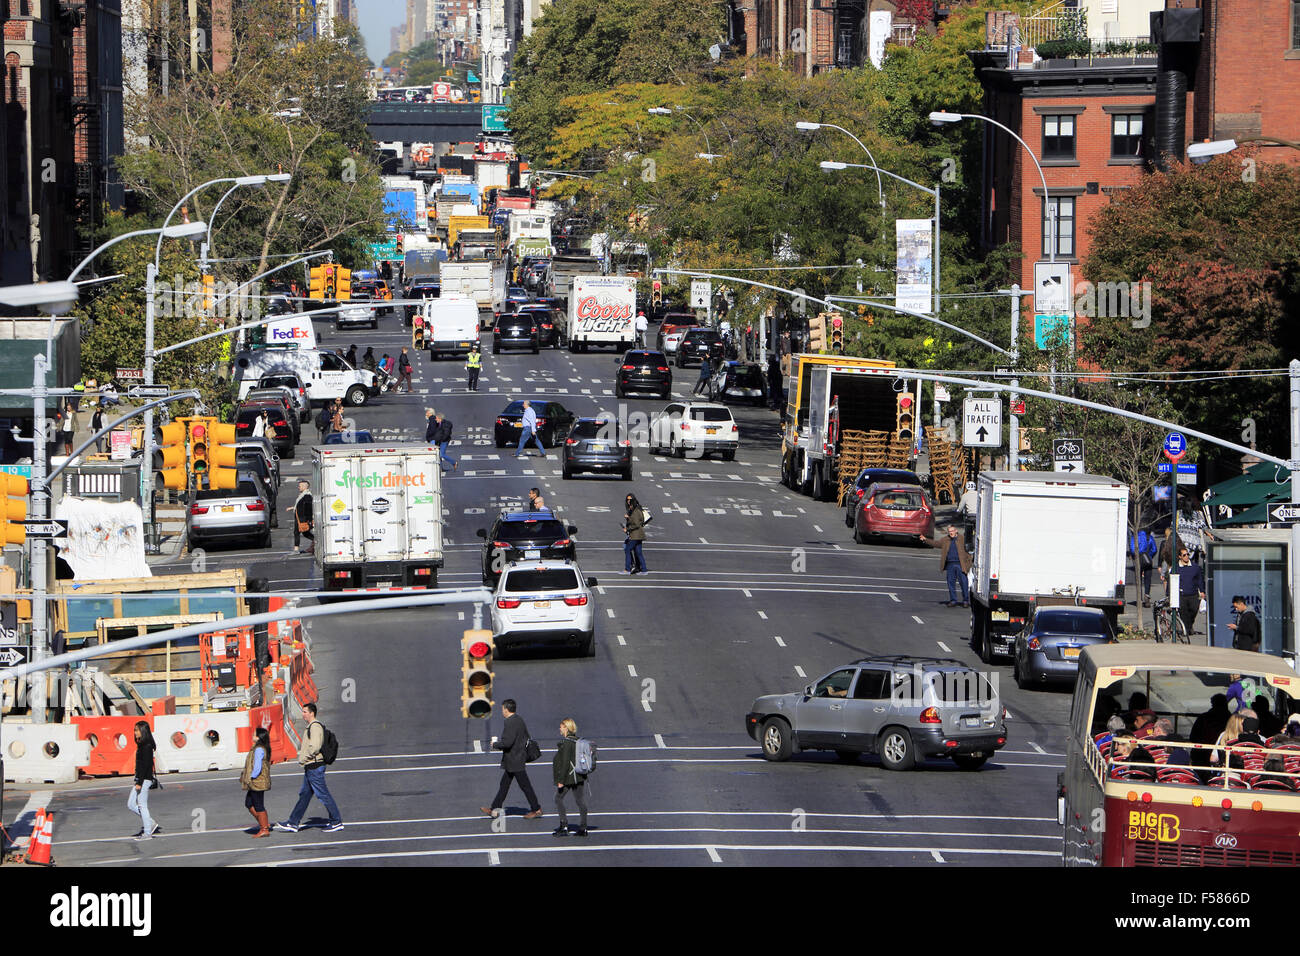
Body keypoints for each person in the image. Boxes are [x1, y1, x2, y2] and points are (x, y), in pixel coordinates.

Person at [274, 702, 343, 833]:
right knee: (305, 795)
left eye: (305, 712)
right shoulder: (311, 727)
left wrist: (305, 758)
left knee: (323, 794)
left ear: (312, 713)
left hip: (314, 766)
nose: (303, 714)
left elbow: (315, 746)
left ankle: (336, 821)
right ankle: (293, 822)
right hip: (311, 766)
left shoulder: (315, 727)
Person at [481, 699, 543, 820]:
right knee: (504, 784)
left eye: (502, 709)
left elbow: (507, 743)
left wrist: (495, 744)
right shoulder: (519, 719)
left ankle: (536, 809)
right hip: (516, 759)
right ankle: (494, 809)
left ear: (506, 709)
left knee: (525, 786)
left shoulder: (510, 722)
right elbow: (525, 737)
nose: (502, 711)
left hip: (515, 760)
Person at [552, 718, 589, 838]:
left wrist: (560, 781)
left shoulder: (567, 743)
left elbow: (565, 763)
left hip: (569, 777)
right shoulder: (577, 740)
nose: (560, 729)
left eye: (561, 727)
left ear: (566, 728)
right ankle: (583, 828)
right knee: (580, 801)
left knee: (558, 798)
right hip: (579, 775)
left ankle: (564, 826)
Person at [128, 721, 160, 840]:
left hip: (144, 780)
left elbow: (146, 766)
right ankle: (150, 823)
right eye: (134, 730)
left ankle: (147, 833)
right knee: (131, 804)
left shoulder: (146, 746)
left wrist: (139, 783)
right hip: (141, 778)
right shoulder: (142, 745)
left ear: (143, 731)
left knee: (142, 806)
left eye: (137, 730)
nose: (135, 732)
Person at [240, 726, 273, 838]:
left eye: (254, 734)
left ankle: (264, 829)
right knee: (249, 803)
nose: (252, 736)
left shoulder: (259, 749)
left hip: (257, 781)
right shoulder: (258, 747)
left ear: (258, 737)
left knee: (258, 805)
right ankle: (264, 823)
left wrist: (250, 777)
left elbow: (257, 767)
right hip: (256, 781)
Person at [933, 524, 970, 608]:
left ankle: (965, 601)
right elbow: (936, 543)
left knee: (964, 583)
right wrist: (925, 540)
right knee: (951, 583)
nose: (951, 533)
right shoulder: (946, 539)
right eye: (949, 532)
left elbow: (969, 551)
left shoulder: (962, 539)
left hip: (960, 564)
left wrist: (968, 564)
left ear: (956, 530)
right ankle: (953, 600)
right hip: (950, 564)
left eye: (952, 531)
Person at [1190, 694, 1230, 769]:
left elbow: (1193, 737)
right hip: (1221, 758)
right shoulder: (1231, 720)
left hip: (1202, 756)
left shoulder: (1203, 718)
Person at [1173, 546, 1206, 636]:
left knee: (1193, 610)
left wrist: (1202, 591)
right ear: (1180, 557)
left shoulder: (1195, 567)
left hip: (1193, 594)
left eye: (1188, 554)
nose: (1187, 556)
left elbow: (1200, 580)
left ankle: (1189, 625)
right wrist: (1170, 595)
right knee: (1183, 612)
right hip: (1182, 594)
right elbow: (1171, 581)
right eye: (1184, 555)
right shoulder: (1176, 568)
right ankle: (1186, 630)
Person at [622, 493, 649, 574]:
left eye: (630, 500)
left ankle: (627, 569)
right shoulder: (634, 509)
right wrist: (628, 518)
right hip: (638, 535)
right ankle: (644, 569)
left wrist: (627, 529)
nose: (628, 501)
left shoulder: (636, 511)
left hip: (635, 535)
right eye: (627, 500)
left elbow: (636, 524)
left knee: (627, 549)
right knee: (638, 552)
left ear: (633, 500)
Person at [1133, 528, 1158, 607]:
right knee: (1147, 579)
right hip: (1147, 561)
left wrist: (1136, 556)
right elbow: (1154, 549)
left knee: (1138, 579)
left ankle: (1139, 598)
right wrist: (1149, 556)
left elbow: (1132, 548)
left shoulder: (1135, 537)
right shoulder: (1149, 537)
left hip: (1138, 561)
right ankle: (1147, 595)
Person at [290, 479, 313, 554]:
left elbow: (308, 507)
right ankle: (316, 541)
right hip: (299, 517)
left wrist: (308, 519)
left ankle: (296, 550)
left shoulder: (307, 495)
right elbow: (300, 505)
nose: (298, 487)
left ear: (304, 486)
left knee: (298, 532)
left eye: (300, 486)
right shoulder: (303, 495)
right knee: (304, 533)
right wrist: (293, 508)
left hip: (302, 518)